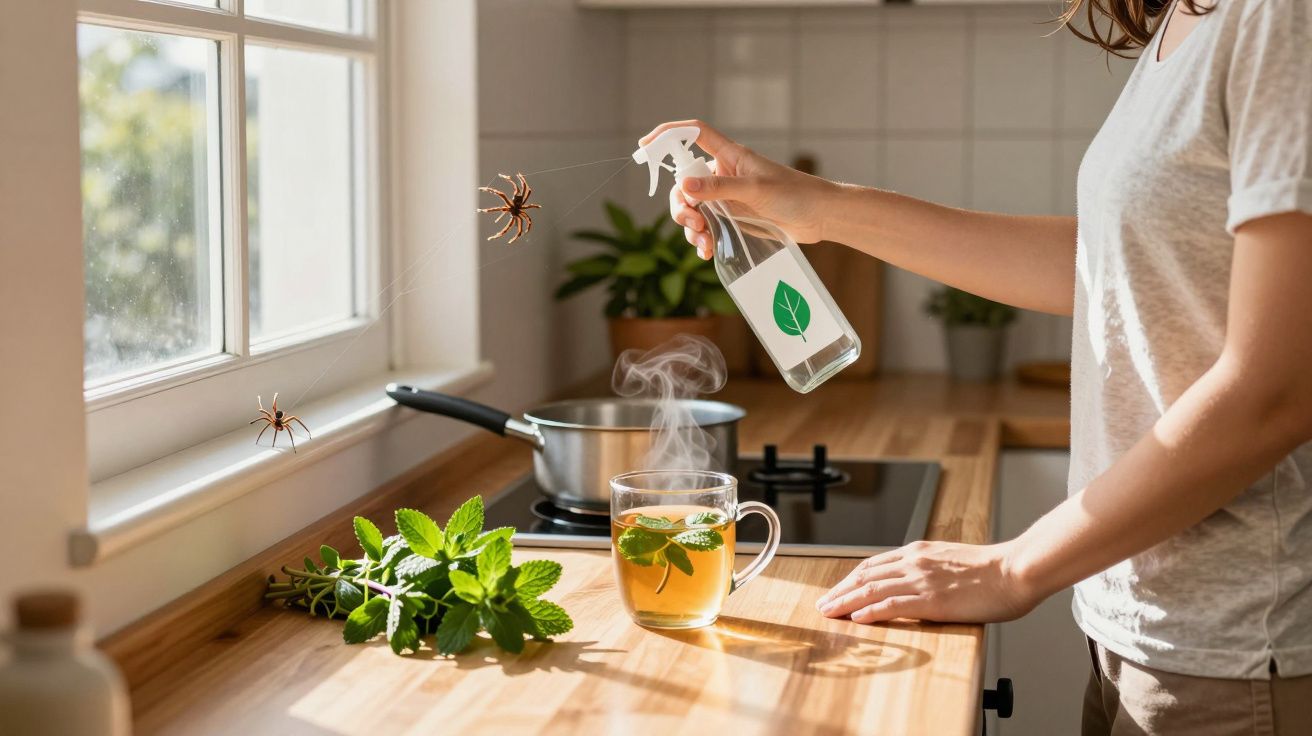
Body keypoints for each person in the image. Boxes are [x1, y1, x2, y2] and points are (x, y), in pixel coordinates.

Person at [642, 0, 1311, 732]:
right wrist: (821, 209)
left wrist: (1013, 567)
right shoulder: (1188, 20)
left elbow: (1277, 391)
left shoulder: (1279, 16)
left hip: (1240, 645)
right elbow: (1116, 265)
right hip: (1137, 622)